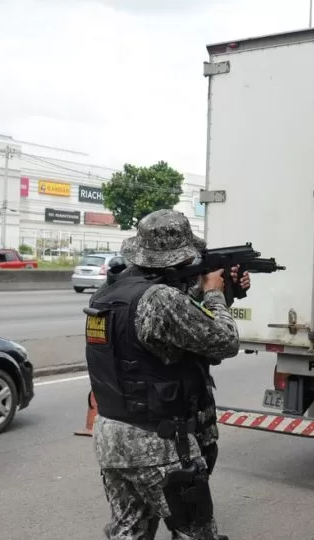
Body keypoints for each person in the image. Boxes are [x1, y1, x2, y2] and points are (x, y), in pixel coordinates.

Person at [89, 209, 241, 540]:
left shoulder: (107, 294)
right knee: (195, 533)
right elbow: (225, 343)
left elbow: (162, 329)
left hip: (112, 436)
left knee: (129, 532)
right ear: (175, 258)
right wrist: (214, 292)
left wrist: (212, 291)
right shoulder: (161, 299)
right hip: (157, 444)